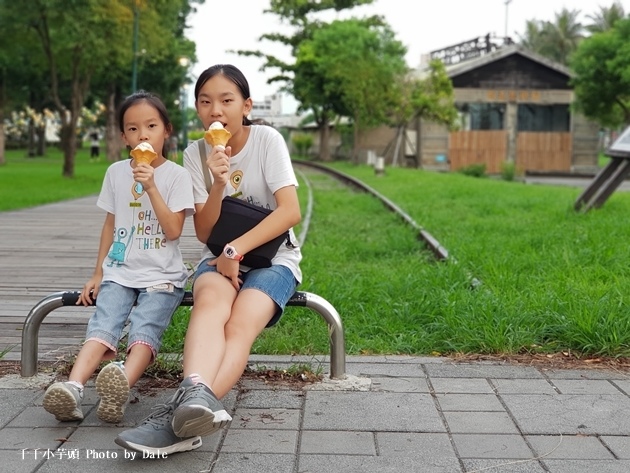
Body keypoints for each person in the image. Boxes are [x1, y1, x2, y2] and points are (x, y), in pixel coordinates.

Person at [116, 64, 302, 455]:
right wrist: (218, 183)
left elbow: (289, 212)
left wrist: (237, 250)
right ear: (197, 109)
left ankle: (178, 417)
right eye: (205, 101)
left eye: (226, 100)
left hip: (274, 260)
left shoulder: (267, 140)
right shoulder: (194, 152)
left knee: (240, 323)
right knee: (210, 304)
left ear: (246, 105)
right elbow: (203, 232)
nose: (215, 110)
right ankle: (194, 404)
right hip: (217, 257)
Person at [42, 90, 195, 427]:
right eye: (133, 128)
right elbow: (110, 225)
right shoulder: (115, 173)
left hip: (162, 277)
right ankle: (73, 388)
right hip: (120, 272)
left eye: (151, 126)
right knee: (103, 324)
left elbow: (173, 230)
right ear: (124, 136)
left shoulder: (176, 176)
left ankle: (120, 385)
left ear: (166, 130)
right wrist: (98, 273)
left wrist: (152, 187)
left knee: (145, 327)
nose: (143, 135)